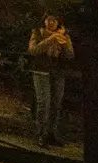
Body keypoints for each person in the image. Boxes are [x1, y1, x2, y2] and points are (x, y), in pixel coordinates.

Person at [28, 14, 75, 146]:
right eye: (49, 20)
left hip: (58, 72)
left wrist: (64, 44)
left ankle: (51, 133)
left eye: (54, 20)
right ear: (44, 21)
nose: (51, 23)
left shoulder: (64, 35)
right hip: (41, 70)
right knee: (44, 103)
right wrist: (51, 39)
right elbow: (33, 50)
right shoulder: (37, 33)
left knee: (56, 104)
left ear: (58, 22)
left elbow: (70, 55)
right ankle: (41, 134)